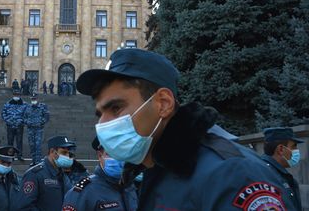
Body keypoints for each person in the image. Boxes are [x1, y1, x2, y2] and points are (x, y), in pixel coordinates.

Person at [76, 48, 298, 210]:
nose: (103, 124)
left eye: (115, 108)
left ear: (163, 103)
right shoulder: (153, 169)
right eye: (99, 114)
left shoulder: (231, 175)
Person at [63, 137, 138, 211]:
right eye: (112, 154)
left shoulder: (130, 187)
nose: (119, 159)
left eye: (123, 154)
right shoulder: (84, 192)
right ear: (100, 156)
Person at [19, 136, 74, 210]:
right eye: (64, 152)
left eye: (68, 153)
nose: (67, 156)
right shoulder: (35, 174)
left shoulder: (63, 175)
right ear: (52, 151)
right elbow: (25, 206)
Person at [262, 127, 304, 210]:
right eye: (294, 147)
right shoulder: (269, 176)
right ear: (281, 149)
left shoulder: (275, 173)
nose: (297, 151)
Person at [23, 94, 50, 165]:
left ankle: (38, 161)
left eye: (34, 99)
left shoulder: (42, 106)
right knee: (31, 145)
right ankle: (34, 160)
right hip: (30, 129)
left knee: (38, 145)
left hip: (38, 129)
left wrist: (41, 122)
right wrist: (27, 122)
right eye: (32, 99)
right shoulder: (28, 107)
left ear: (37, 99)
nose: (33, 100)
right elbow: (24, 117)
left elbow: (47, 116)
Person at [2, 89, 26, 161]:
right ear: (13, 95)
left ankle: (19, 155)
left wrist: (21, 121)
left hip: (19, 126)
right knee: (10, 141)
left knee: (19, 141)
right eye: (15, 95)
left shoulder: (24, 104)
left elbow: (26, 114)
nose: (16, 96)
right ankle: (10, 155)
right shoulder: (7, 104)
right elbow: (3, 113)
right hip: (10, 126)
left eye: (18, 95)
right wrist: (8, 121)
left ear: (20, 95)